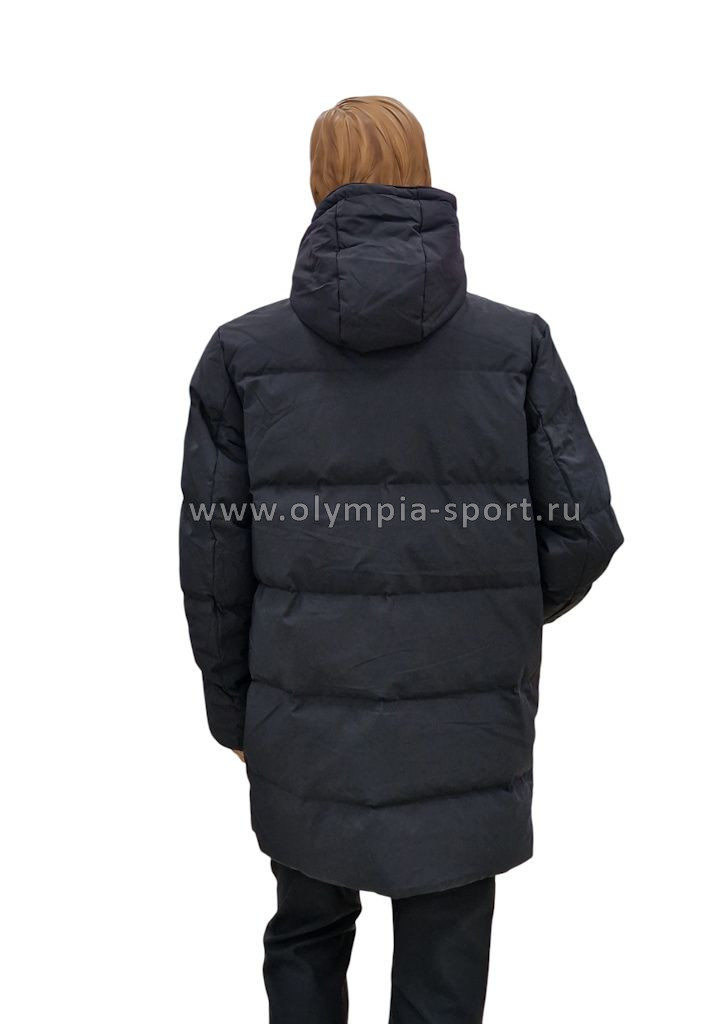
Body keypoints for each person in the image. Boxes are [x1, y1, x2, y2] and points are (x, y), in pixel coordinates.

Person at [180, 96, 623, 1024]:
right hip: (464, 724)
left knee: (307, 937)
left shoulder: (243, 355)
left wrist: (234, 711)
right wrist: (490, 613)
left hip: (302, 718)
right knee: (444, 970)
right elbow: (584, 529)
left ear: (318, 183)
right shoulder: (515, 346)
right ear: (421, 175)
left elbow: (213, 562)